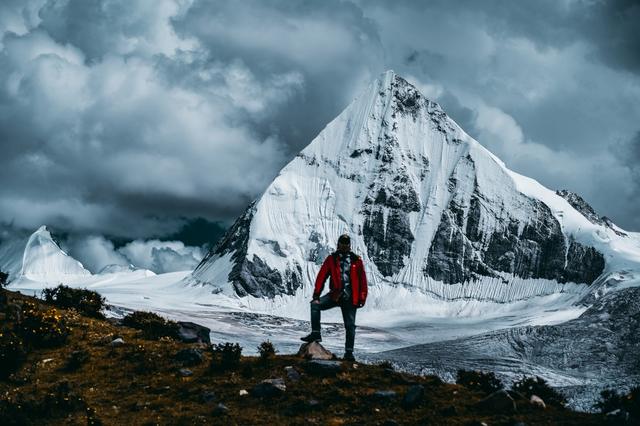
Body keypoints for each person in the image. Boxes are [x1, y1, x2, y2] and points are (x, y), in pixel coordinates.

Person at [301, 234, 368, 361]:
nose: (344, 245)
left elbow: (362, 281)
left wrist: (362, 297)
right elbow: (322, 276)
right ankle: (316, 333)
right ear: (338, 244)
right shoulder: (332, 259)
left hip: (350, 297)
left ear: (349, 245)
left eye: (346, 242)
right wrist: (316, 294)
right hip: (335, 295)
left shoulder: (356, 261)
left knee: (350, 325)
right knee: (315, 304)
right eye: (342, 242)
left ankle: (349, 353)